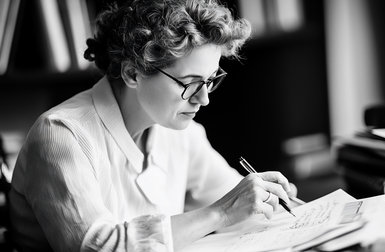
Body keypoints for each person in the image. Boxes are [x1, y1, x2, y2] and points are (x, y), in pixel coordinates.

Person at [9, 0, 298, 251]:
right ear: (133, 73)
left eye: (209, 81)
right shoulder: (61, 135)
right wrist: (220, 213)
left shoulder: (182, 134)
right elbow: (97, 246)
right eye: (189, 83)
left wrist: (267, 197)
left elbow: (239, 201)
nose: (204, 99)